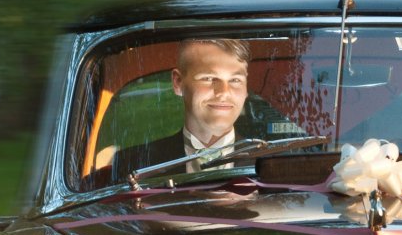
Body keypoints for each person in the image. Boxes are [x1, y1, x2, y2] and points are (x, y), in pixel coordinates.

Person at [98, 37, 299, 180]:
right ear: (178, 83)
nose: (223, 92)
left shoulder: (279, 167)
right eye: (209, 78)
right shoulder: (132, 163)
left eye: (235, 80)